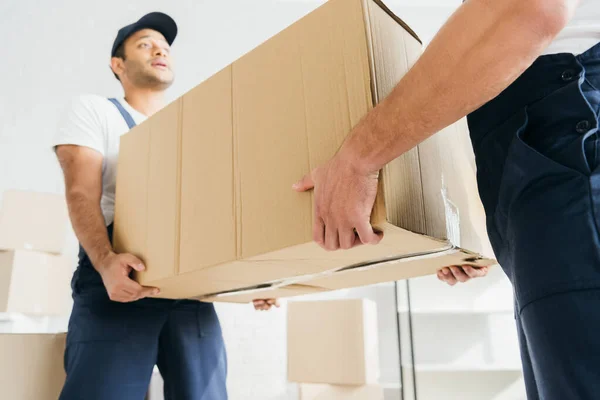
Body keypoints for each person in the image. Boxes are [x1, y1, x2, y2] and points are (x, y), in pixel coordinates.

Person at [294, 0, 600, 398]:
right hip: (558, 158)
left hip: (570, 131)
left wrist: (355, 160)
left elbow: (530, 7)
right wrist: (494, 231)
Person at [53, 12, 277, 400]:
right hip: (119, 280)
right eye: (145, 43)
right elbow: (80, 193)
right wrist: (105, 261)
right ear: (117, 64)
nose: (159, 48)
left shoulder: (197, 130)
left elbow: (216, 212)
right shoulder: (95, 111)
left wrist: (251, 277)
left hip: (190, 289)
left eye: (165, 45)